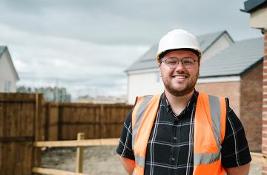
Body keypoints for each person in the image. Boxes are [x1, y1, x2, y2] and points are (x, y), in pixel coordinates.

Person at [116, 29, 251, 175]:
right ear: (159, 67)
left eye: (188, 61)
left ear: (198, 66)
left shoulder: (223, 114)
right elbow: (128, 162)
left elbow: (239, 170)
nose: (180, 68)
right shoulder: (139, 111)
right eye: (171, 61)